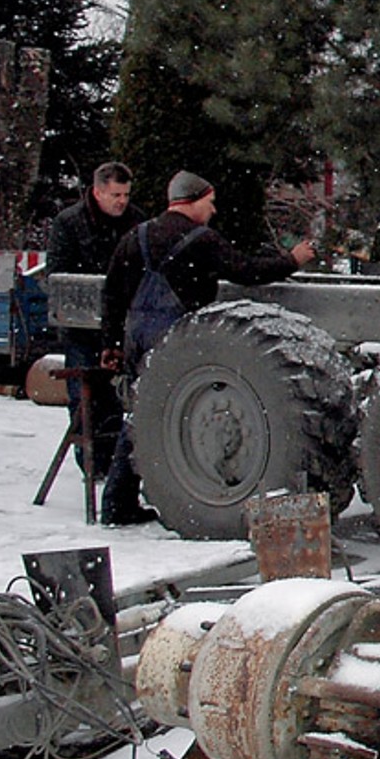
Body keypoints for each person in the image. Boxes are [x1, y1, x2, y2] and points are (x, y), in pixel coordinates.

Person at [96, 170, 318, 525]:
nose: (213, 211)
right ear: (192, 201)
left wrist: (111, 343)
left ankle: (116, 501)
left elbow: (111, 293)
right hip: (177, 338)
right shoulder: (202, 240)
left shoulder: (136, 236)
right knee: (168, 417)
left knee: (141, 414)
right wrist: (292, 260)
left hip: (139, 334)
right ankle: (142, 494)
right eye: (210, 203)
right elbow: (246, 271)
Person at [45, 162, 146, 481]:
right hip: (82, 329)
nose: (121, 201)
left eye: (126, 194)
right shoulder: (69, 222)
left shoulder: (136, 221)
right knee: (85, 400)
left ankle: (120, 464)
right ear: (98, 191)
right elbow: (58, 276)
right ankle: (92, 464)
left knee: (123, 398)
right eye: (115, 194)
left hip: (123, 325)